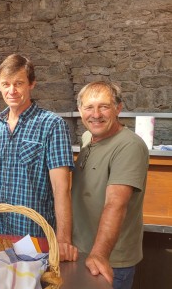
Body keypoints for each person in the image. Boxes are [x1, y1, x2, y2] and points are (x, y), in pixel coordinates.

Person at [0, 54, 78, 262]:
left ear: (32, 84)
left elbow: (61, 188)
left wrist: (63, 239)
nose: (12, 90)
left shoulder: (52, 125)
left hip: (36, 235)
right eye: (6, 84)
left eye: (19, 83)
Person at [72, 81, 148, 288]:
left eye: (104, 106)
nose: (96, 114)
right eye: (89, 107)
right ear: (80, 111)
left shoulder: (129, 146)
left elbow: (116, 204)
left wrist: (99, 254)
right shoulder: (88, 138)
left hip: (110, 261)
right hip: (82, 252)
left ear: (118, 108)